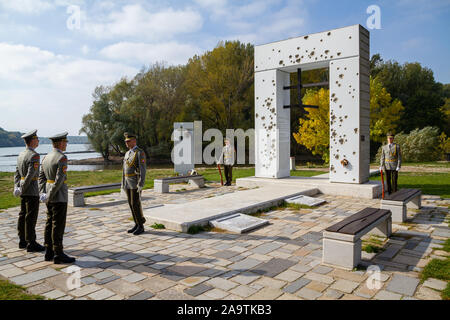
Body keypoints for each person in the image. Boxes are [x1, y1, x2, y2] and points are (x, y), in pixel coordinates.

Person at [39, 132, 75, 264]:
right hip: (58, 196)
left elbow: (41, 178)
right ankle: (58, 253)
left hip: (48, 195)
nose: (66, 144)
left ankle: (48, 251)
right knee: (58, 225)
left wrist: (43, 192)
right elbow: (59, 180)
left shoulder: (46, 157)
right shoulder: (62, 158)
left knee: (49, 222)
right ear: (60, 143)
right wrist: (50, 194)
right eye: (65, 142)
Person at [13, 129, 45, 252]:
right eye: (36, 139)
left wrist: (17, 186)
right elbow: (31, 174)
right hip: (31, 189)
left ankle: (22, 240)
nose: (38, 141)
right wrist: (22, 187)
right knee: (30, 217)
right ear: (32, 141)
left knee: (22, 215)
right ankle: (31, 242)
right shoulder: (34, 155)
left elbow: (17, 173)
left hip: (23, 188)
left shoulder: (21, 154)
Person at [121, 132, 146, 235]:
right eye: (126, 141)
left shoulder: (140, 152)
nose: (126, 143)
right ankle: (136, 223)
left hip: (135, 182)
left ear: (134, 141)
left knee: (135, 204)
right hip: (127, 182)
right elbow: (124, 169)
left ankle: (141, 225)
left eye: (128, 141)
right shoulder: (127, 153)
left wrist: (141, 184)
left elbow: (143, 170)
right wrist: (123, 183)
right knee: (131, 204)